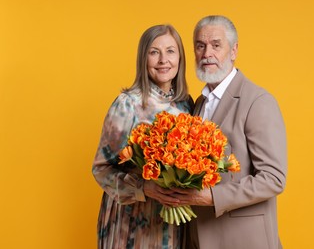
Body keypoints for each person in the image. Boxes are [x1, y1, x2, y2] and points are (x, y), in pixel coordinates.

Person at [171, 15, 287, 249]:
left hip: (243, 240)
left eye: (216, 45)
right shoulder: (199, 104)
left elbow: (274, 179)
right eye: (200, 46)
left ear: (233, 51)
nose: (206, 54)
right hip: (198, 237)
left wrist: (213, 197)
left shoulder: (258, 101)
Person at [92, 24, 193, 249]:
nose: (163, 60)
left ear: (180, 57)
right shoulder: (128, 104)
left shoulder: (187, 103)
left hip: (172, 223)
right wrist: (143, 188)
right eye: (154, 52)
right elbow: (101, 170)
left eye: (170, 51)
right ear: (143, 58)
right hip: (132, 223)